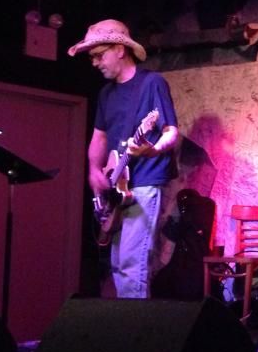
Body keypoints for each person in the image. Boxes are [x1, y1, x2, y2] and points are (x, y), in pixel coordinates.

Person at [69, 19, 179, 299]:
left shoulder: (152, 83)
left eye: (99, 55)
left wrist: (153, 149)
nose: (95, 63)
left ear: (120, 49)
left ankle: (135, 325)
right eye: (92, 57)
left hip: (144, 180)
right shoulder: (106, 94)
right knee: (118, 265)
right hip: (117, 186)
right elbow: (99, 138)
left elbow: (171, 132)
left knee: (132, 264)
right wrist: (94, 170)